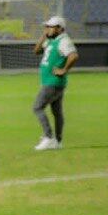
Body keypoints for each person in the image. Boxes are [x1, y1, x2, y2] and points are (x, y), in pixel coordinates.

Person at [31, 14, 77, 151]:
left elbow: (73, 55)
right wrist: (44, 36)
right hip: (51, 82)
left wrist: (64, 70)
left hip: (53, 82)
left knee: (37, 107)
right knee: (57, 112)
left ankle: (48, 137)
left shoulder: (64, 40)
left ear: (59, 28)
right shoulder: (52, 40)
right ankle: (57, 140)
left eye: (50, 27)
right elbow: (36, 51)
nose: (47, 28)